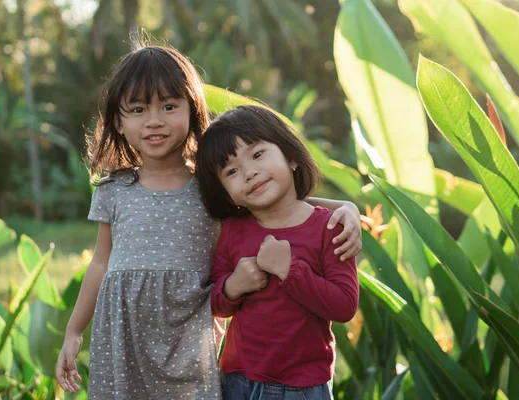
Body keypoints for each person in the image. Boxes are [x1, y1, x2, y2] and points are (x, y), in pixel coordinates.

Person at [55, 43, 362, 399]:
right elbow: (100, 262)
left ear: (192, 110)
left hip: (188, 335)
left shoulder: (212, 187)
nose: (154, 120)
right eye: (138, 110)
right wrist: (74, 331)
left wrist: (345, 206)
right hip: (125, 335)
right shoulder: (113, 190)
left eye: (169, 106)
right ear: (119, 121)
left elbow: (276, 201)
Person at [196, 105, 360, 400]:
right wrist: (234, 286)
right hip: (237, 381)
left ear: (291, 157)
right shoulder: (234, 230)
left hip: (301, 387)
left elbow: (344, 305)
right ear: (225, 192)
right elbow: (218, 304)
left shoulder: (330, 227)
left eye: (258, 154)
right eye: (232, 171)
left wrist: (290, 270)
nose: (250, 172)